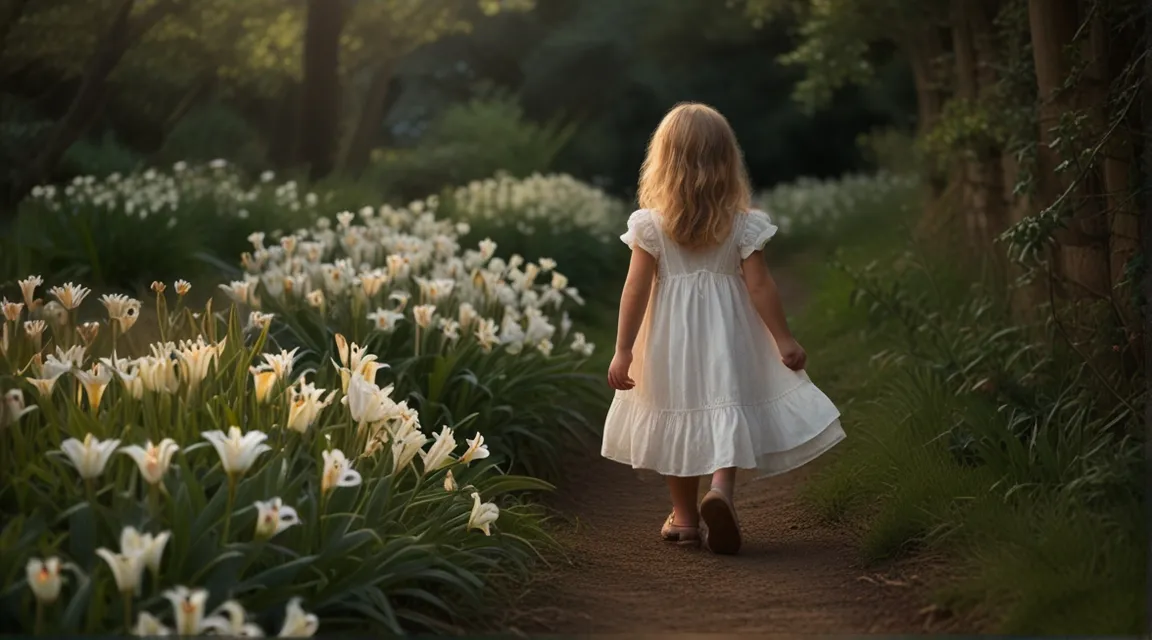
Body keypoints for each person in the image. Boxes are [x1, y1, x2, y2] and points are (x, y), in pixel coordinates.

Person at [602, 102, 846, 555]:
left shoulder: (650, 226)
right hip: (727, 336)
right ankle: (720, 491)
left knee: (678, 410)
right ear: (726, 161)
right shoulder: (743, 224)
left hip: (669, 340)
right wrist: (783, 339)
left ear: (663, 161)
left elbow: (634, 290)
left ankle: (686, 519)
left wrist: (623, 350)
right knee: (724, 404)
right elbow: (760, 287)